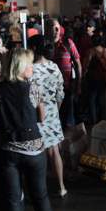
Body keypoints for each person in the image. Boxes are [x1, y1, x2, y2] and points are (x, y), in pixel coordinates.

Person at [0, 48, 56, 211]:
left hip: (8, 150)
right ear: (20, 67)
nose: (32, 68)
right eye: (29, 64)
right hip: (34, 150)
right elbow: (41, 117)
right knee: (40, 196)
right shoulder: (33, 88)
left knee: (13, 199)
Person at [29, 35, 67, 197]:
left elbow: (29, 97)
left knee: (40, 152)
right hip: (52, 112)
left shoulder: (30, 70)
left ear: (34, 49)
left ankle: (40, 189)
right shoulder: (54, 67)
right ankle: (61, 187)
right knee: (54, 151)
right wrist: (55, 110)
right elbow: (60, 94)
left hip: (37, 115)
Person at [51, 19, 82, 127]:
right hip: (50, 90)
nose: (55, 30)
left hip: (66, 87)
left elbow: (78, 63)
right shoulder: (45, 45)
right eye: (53, 27)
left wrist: (79, 84)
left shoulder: (68, 43)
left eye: (57, 28)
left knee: (67, 119)